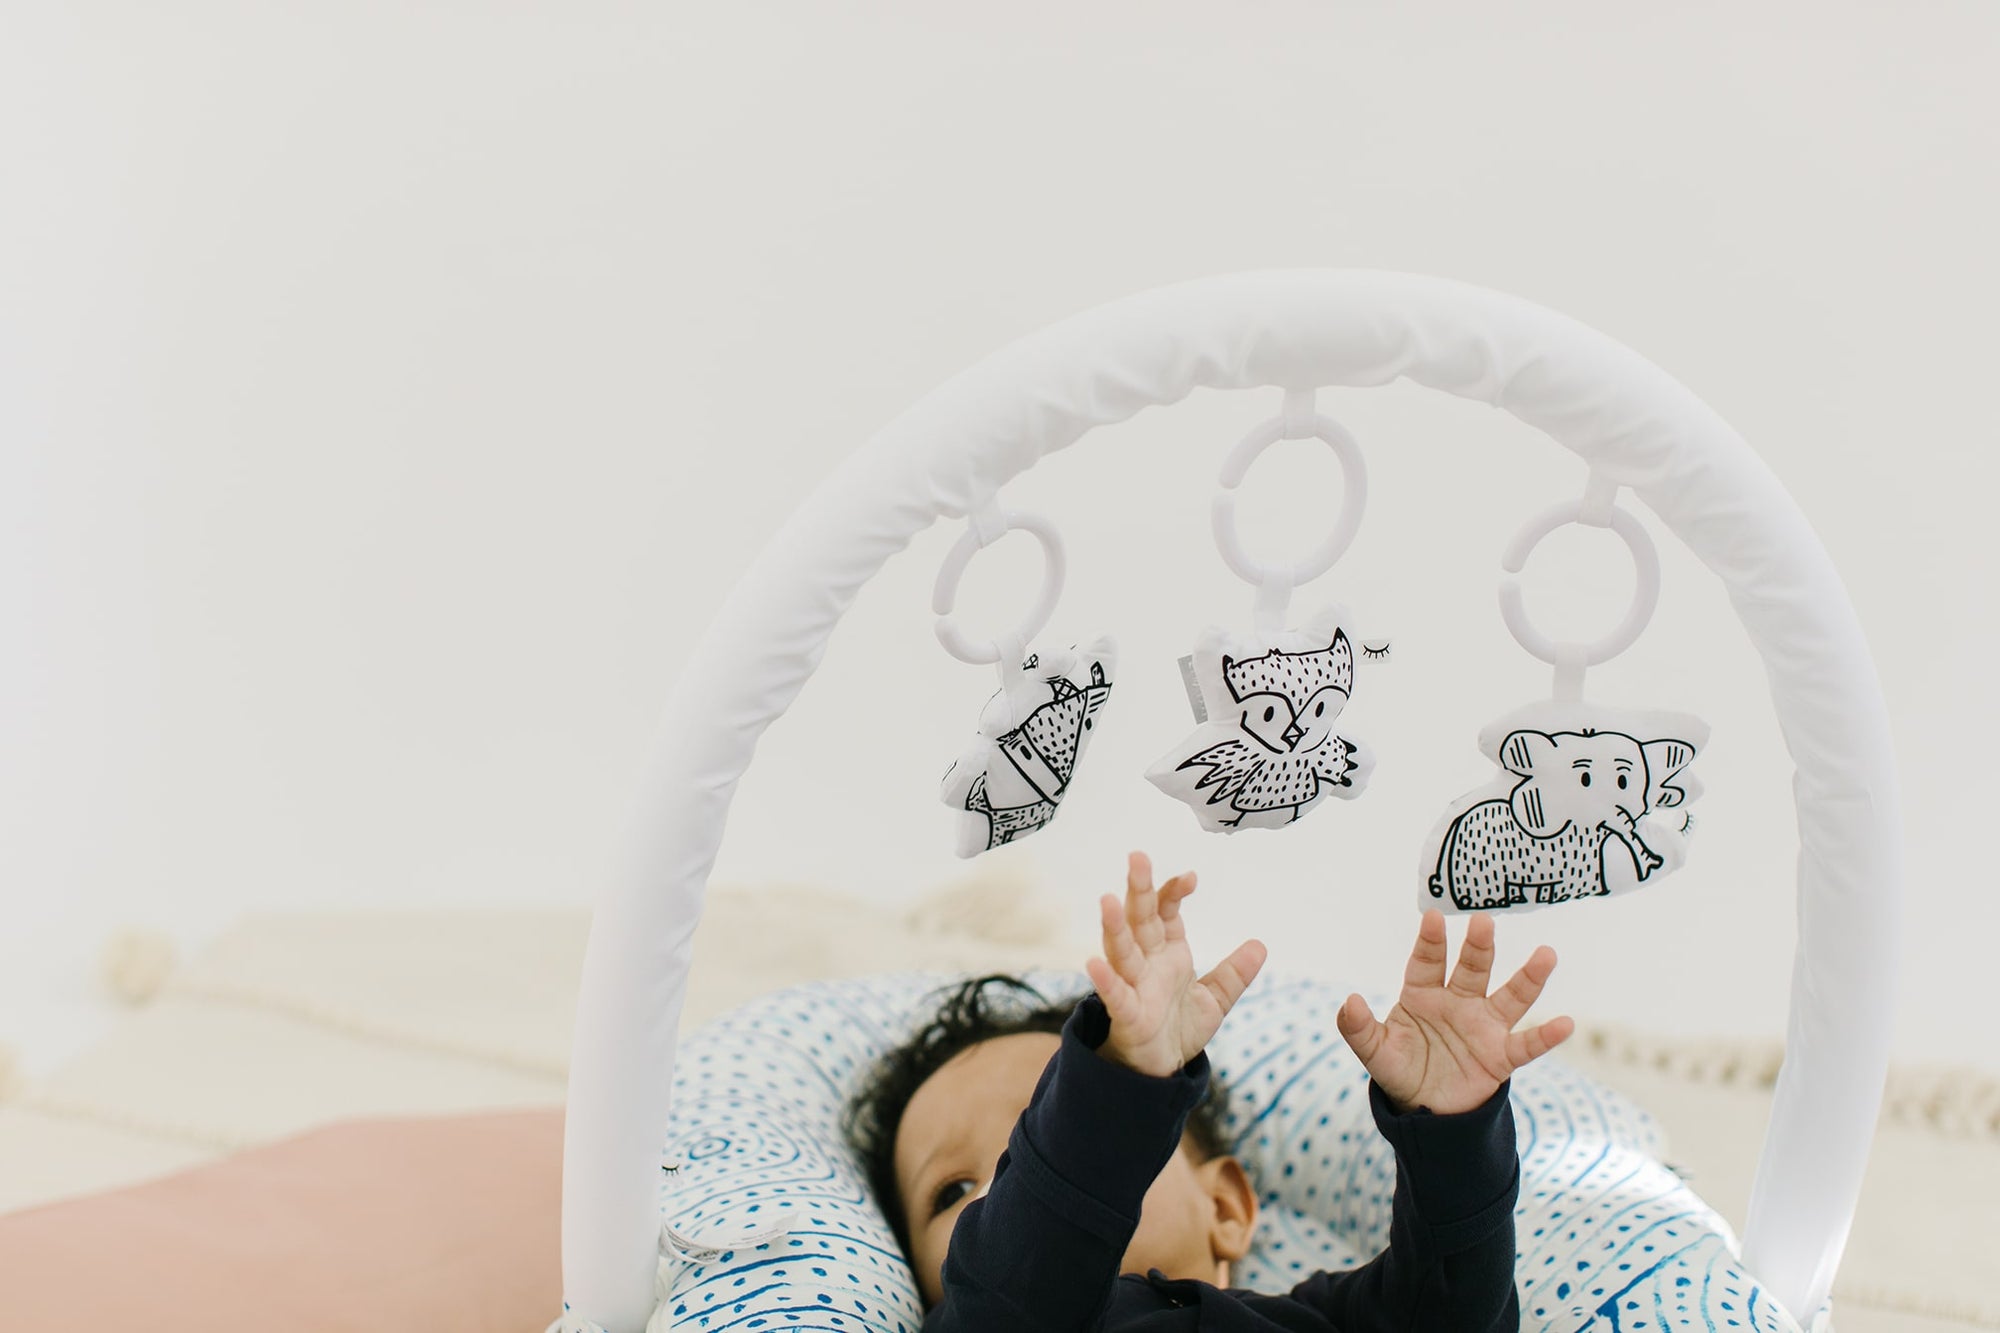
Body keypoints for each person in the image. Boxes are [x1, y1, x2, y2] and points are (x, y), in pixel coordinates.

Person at [842, 850, 1576, 1331]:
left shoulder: (1312, 1319)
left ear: (1224, 1206)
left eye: (1037, 1134)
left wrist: (1452, 1131)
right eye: (952, 1189)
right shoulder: (991, 1313)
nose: (1004, 1188)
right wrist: (1116, 1084)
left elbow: (1454, 1315)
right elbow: (1025, 1268)